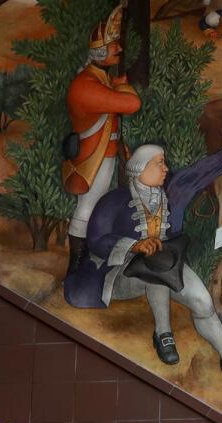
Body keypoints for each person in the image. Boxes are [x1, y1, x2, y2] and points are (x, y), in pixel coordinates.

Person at [63, 119, 222, 393]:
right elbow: (97, 240)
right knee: (154, 273)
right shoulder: (112, 202)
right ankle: (163, 334)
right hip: (124, 275)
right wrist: (134, 246)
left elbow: (205, 169)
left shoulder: (174, 189)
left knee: (203, 302)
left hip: (168, 265)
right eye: (159, 163)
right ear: (140, 169)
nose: (165, 168)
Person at [61, 5, 142, 277]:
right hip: (92, 158)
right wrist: (121, 85)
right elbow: (132, 103)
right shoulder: (85, 86)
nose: (118, 50)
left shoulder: (100, 79)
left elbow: (111, 120)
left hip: (105, 154)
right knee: (87, 209)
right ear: (98, 53)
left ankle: (90, 260)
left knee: (100, 207)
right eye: (112, 47)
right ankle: (76, 266)